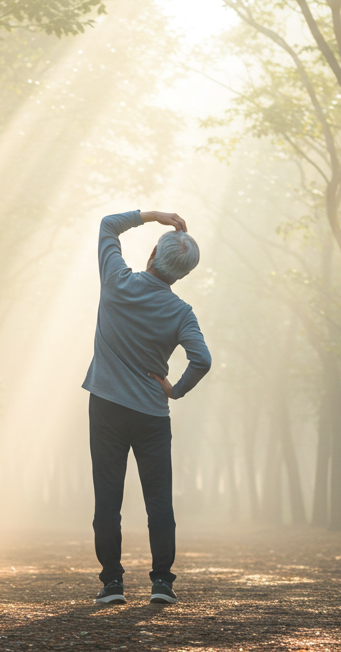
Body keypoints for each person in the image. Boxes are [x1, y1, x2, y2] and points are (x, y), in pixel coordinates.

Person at [83, 210, 211, 605]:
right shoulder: (181, 313)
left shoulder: (117, 281)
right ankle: (162, 584)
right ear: (183, 274)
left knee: (108, 499)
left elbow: (107, 225)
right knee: (159, 501)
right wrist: (175, 391)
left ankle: (112, 585)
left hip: (106, 408)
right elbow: (201, 359)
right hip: (151, 416)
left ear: (154, 252)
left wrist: (153, 215)